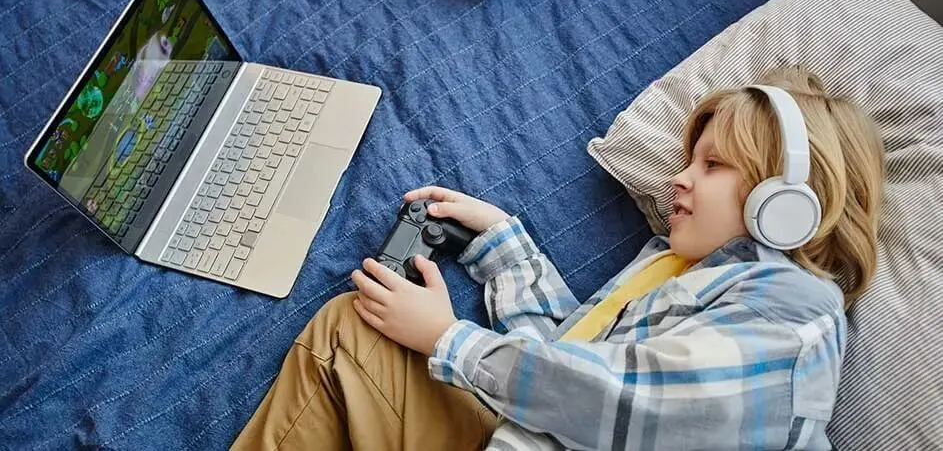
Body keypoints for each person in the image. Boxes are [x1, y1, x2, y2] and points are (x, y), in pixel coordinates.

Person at [231, 65, 885, 450]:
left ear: (787, 202)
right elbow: (569, 364)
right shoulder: (673, 266)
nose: (678, 180)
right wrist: (502, 248)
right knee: (350, 329)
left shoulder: (795, 315)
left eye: (711, 165)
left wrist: (448, 338)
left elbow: (619, 402)